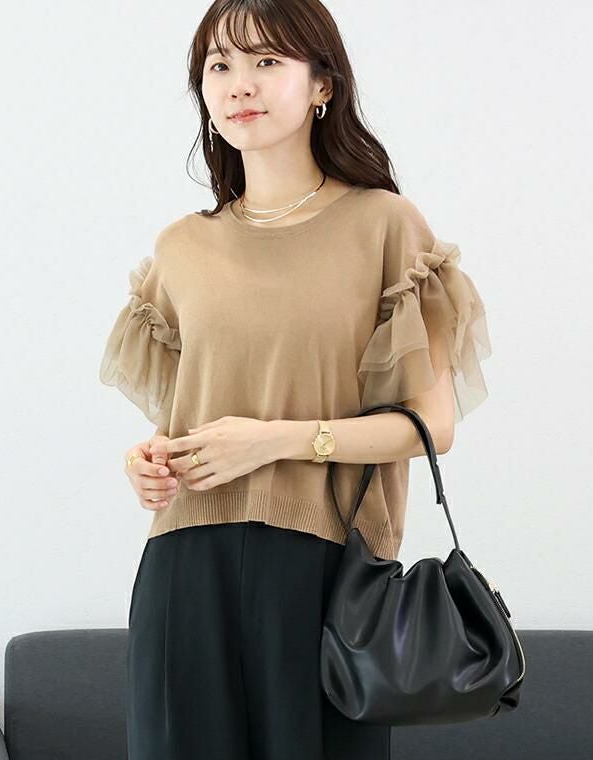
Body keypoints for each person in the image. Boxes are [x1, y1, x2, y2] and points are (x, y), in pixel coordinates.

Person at [99, 1, 492, 758]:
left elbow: (432, 425)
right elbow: (191, 413)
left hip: (323, 567)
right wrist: (148, 460)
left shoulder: (386, 226)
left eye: (267, 61)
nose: (239, 83)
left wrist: (275, 441)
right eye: (220, 65)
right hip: (185, 565)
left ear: (322, 85)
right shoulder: (181, 248)